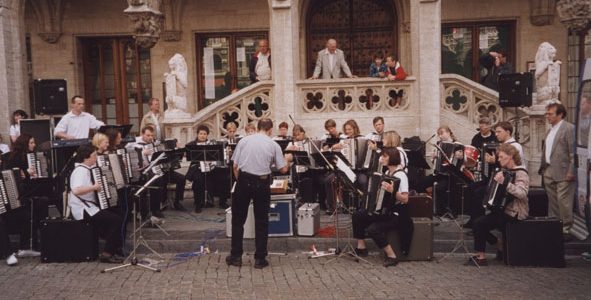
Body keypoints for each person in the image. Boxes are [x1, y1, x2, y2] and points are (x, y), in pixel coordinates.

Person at [226, 118, 288, 269]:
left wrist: (240, 179)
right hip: (262, 182)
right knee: (261, 221)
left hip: (244, 180)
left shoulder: (244, 141)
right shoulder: (273, 144)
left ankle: (236, 256)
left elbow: (235, 165)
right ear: (270, 130)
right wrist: (288, 159)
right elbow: (283, 169)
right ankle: (260, 258)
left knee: (238, 219)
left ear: (258, 127)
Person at [467, 143, 529, 266]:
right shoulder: (505, 171)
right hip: (503, 210)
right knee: (477, 222)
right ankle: (498, 245)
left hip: (515, 212)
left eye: (501, 157)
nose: (498, 160)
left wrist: (505, 184)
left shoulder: (521, 173)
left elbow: (522, 193)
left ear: (510, 156)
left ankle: (482, 256)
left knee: (480, 224)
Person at [352, 147, 413, 267]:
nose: (381, 158)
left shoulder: (401, 175)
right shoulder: (386, 173)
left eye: (385, 156)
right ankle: (361, 248)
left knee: (373, 229)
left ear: (393, 158)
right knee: (357, 215)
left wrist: (392, 191)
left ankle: (392, 256)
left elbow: (405, 199)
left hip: (397, 213)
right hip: (384, 211)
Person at [67, 144, 124, 263]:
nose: (96, 158)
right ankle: (107, 253)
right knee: (115, 220)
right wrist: (94, 187)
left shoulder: (87, 169)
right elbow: (76, 190)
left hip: (90, 207)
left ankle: (116, 248)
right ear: (86, 158)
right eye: (94, 156)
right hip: (83, 209)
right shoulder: (80, 171)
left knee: (116, 213)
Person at [540, 103, 576, 238]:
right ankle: (555, 226)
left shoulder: (569, 128)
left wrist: (571, 171)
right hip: (549, 170)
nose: (547, 116)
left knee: (564, 201)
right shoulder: (550, 130)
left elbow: (573, 152)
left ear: (560, 114)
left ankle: (566, 229)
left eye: (550, 114)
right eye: (547, 113)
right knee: (553, 201)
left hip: (564, 171)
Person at [185, 125, 220, 212]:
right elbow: (187, 156)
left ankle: (211, 200)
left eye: (204, 134)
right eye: (201, 134)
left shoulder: (211, 144)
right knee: (198, 180)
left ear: (207, 135)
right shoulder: (192, 144)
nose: (202, 136)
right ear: (197, 134)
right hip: (196, 167)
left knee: (219, 175)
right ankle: (198, 203)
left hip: (209, 167)